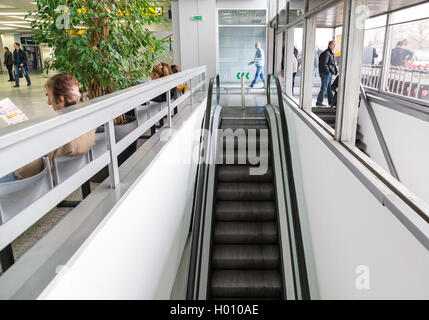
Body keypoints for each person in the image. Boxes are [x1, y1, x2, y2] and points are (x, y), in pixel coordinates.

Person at [0, 73, 95, 183]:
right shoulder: (85, 119)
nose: (48, 102)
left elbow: (28, 170)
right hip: (71, 174)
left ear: (61, 98)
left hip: (39, 182)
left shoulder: (58, 129)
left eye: (49, 96)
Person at [316, 41, 338, 106]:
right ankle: (319, 102)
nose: (334, 46)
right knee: (324, 88)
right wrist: (328, 72)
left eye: (335, 45)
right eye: (332, 44)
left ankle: (331, 102)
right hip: (326, 73)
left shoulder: (330, 53)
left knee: (328, 87)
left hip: (329, 73)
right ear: (329, 45)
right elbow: (324, 64)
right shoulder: (326, 53)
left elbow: (331, 64)